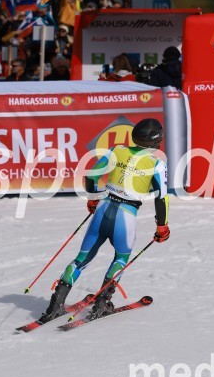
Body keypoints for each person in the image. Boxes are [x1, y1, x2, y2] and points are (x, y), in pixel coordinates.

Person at [39, 118, 170, 323]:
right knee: (120, 259)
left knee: (81, 259)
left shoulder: (116, 150)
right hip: (126, 217)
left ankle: (55, 305)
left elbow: (92, 176)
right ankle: (101, 305)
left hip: (102, 209)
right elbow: (161, 198)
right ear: (157, 140)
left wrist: (93, 200)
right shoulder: (157, 164)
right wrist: (162, 226)